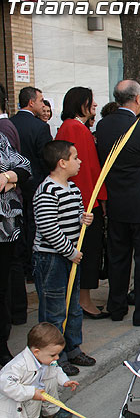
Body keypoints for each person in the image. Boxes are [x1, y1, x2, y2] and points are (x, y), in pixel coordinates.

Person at [95, 80, 140, 326]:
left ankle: (116, 306)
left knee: (117, 256)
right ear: (137, 99)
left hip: (115, 202)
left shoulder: (102, 126)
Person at [32, 140, 96, 377]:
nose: (79, 162)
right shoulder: (47, 191)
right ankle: (53, 357)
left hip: (70, 257)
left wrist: (83, 219)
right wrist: (70, 251)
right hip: (51, 260)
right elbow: (49, 228)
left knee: (73, 307)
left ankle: (73, 348)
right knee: (54, 310)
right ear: (62, 162)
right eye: (75, 157)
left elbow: (73, 216)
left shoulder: (73, 188)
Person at [54, 87, 108, 320]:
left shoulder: (70, 127)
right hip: (85, 202)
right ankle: (83, 301)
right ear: (81, 104)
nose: (94, 105)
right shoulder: (76, 128)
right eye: (91, 101)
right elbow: (88, 170)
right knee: (86, 252)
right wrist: (97, 200)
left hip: (82, 199)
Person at [10, 87, 52, 325]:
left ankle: (25, 265)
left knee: (20, 229)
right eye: (39, 99)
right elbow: (46, 159)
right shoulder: (39, 127)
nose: (42, 103)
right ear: (31, 102)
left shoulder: (10, 124)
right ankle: (33, 268)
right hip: (35, 185)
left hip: (15, 189)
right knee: (35, 227)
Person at [0, 323, 79, 418]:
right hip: (21, 401)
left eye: (58, 354)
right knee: (33, 401)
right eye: (53, 355)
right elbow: (6, 385)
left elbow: (56, 369)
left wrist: (65, 381)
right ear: (36, 352)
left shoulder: (45, 358)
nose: (57, 357)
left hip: (37, 392)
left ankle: (52, 411)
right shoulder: (18, 366)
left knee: (51, 379)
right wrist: (32, 393)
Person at [0, 131, 31, 366]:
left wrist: (8, 176)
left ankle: (2, 348)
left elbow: (24, 167)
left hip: (5, 230)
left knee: (2, 290)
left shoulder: (1, 138)